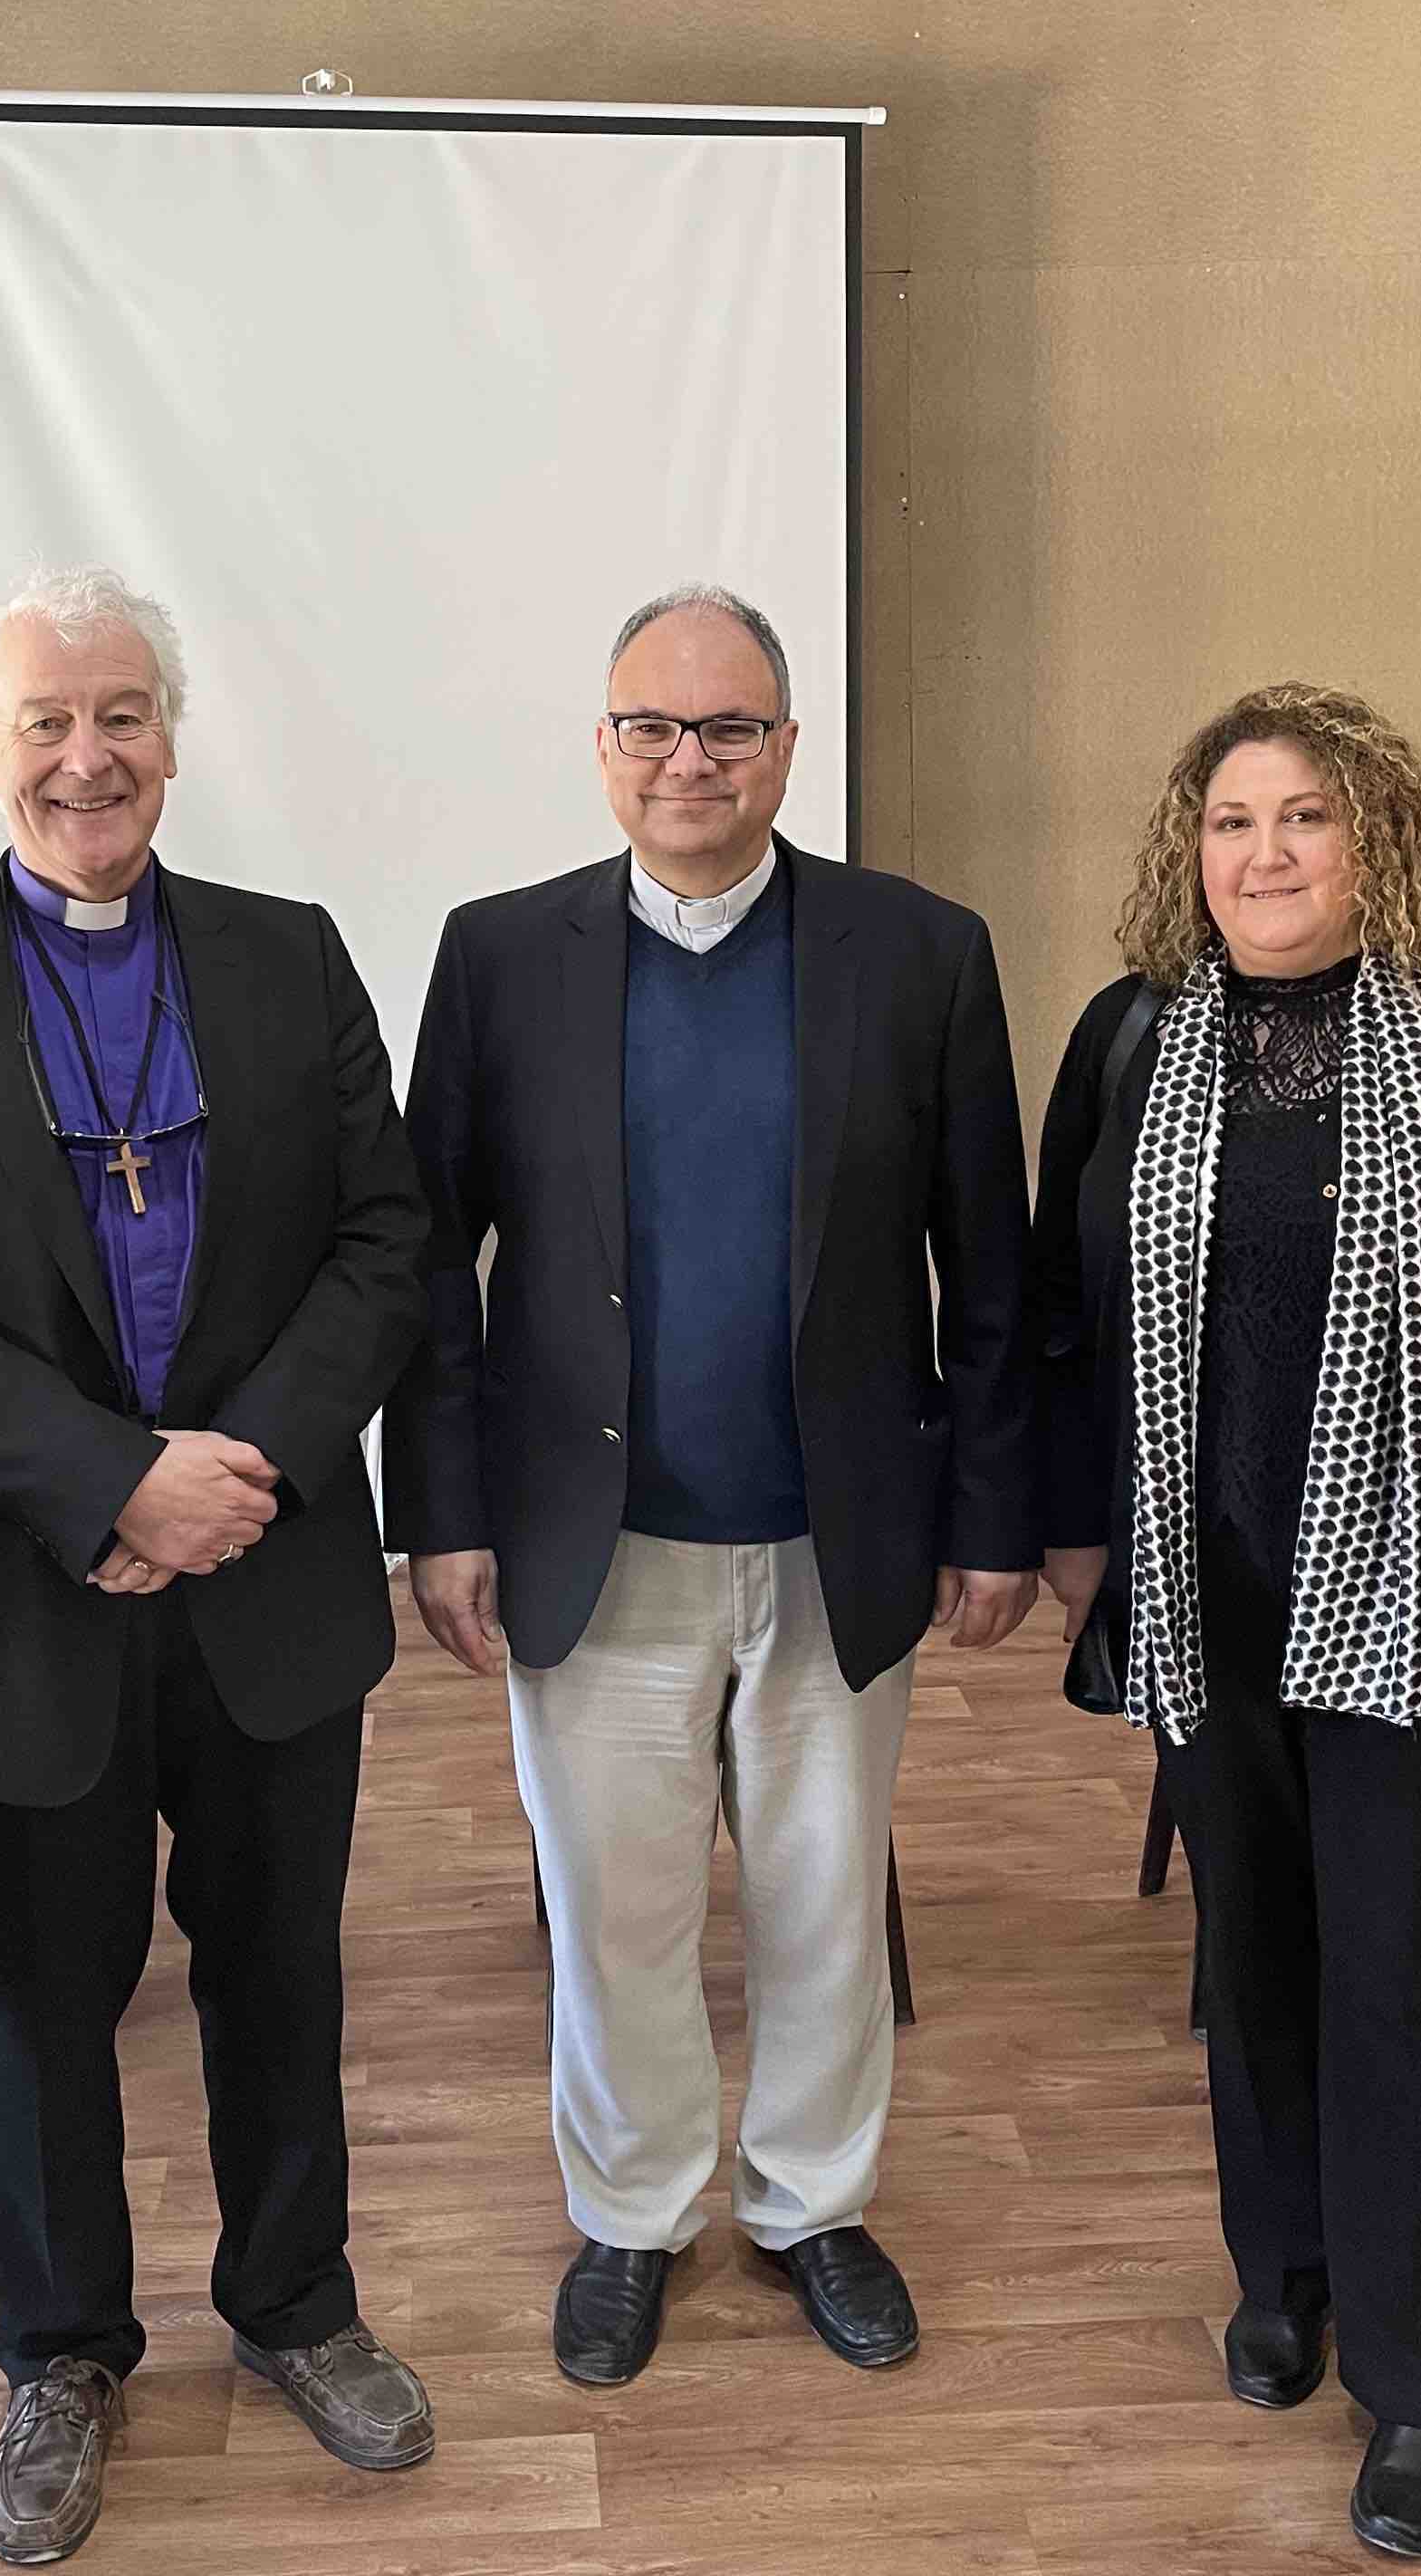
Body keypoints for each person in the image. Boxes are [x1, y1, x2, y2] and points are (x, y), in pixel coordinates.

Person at [0, 564, 434, 2567]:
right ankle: (60, 2352)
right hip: (22, 1586)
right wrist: (111, 1484)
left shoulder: (286, 953)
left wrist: (230, 1472)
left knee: (279, 1969)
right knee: (41, 2001)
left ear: (173, 734)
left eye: (126, 713)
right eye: (49, 724)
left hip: (265, 1563)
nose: (92, 756)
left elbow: (387, 1241)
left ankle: (298, 2302)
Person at [386, 582, 1039, 2390]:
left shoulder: (918, 955)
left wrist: (993, 1514)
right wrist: (437, 1512)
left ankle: (813, 2204)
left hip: (842, 1533)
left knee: (826, 1902)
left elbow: (987, 1268)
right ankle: (635, 2214)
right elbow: (431, 1263)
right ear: (602, 748)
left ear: (787, 748)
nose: (693, 760)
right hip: (589, 1541)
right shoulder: (502, 955)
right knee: (617, 1908)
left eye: (731, 727)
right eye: (654, 727)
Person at [1028, 683, 1421, 2562]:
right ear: (1186, 855)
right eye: (1231, 824)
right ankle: (1280, 2275)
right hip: (1202, 1586)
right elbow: (1061, 1309)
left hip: (1411, 1593)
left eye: (1305, 820)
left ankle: (1420, 2386)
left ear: (1380, 846)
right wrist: (1074, 1536)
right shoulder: (1127, 1040)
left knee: (1395, 1978)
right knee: (1249, 1951)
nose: (1264, 855)